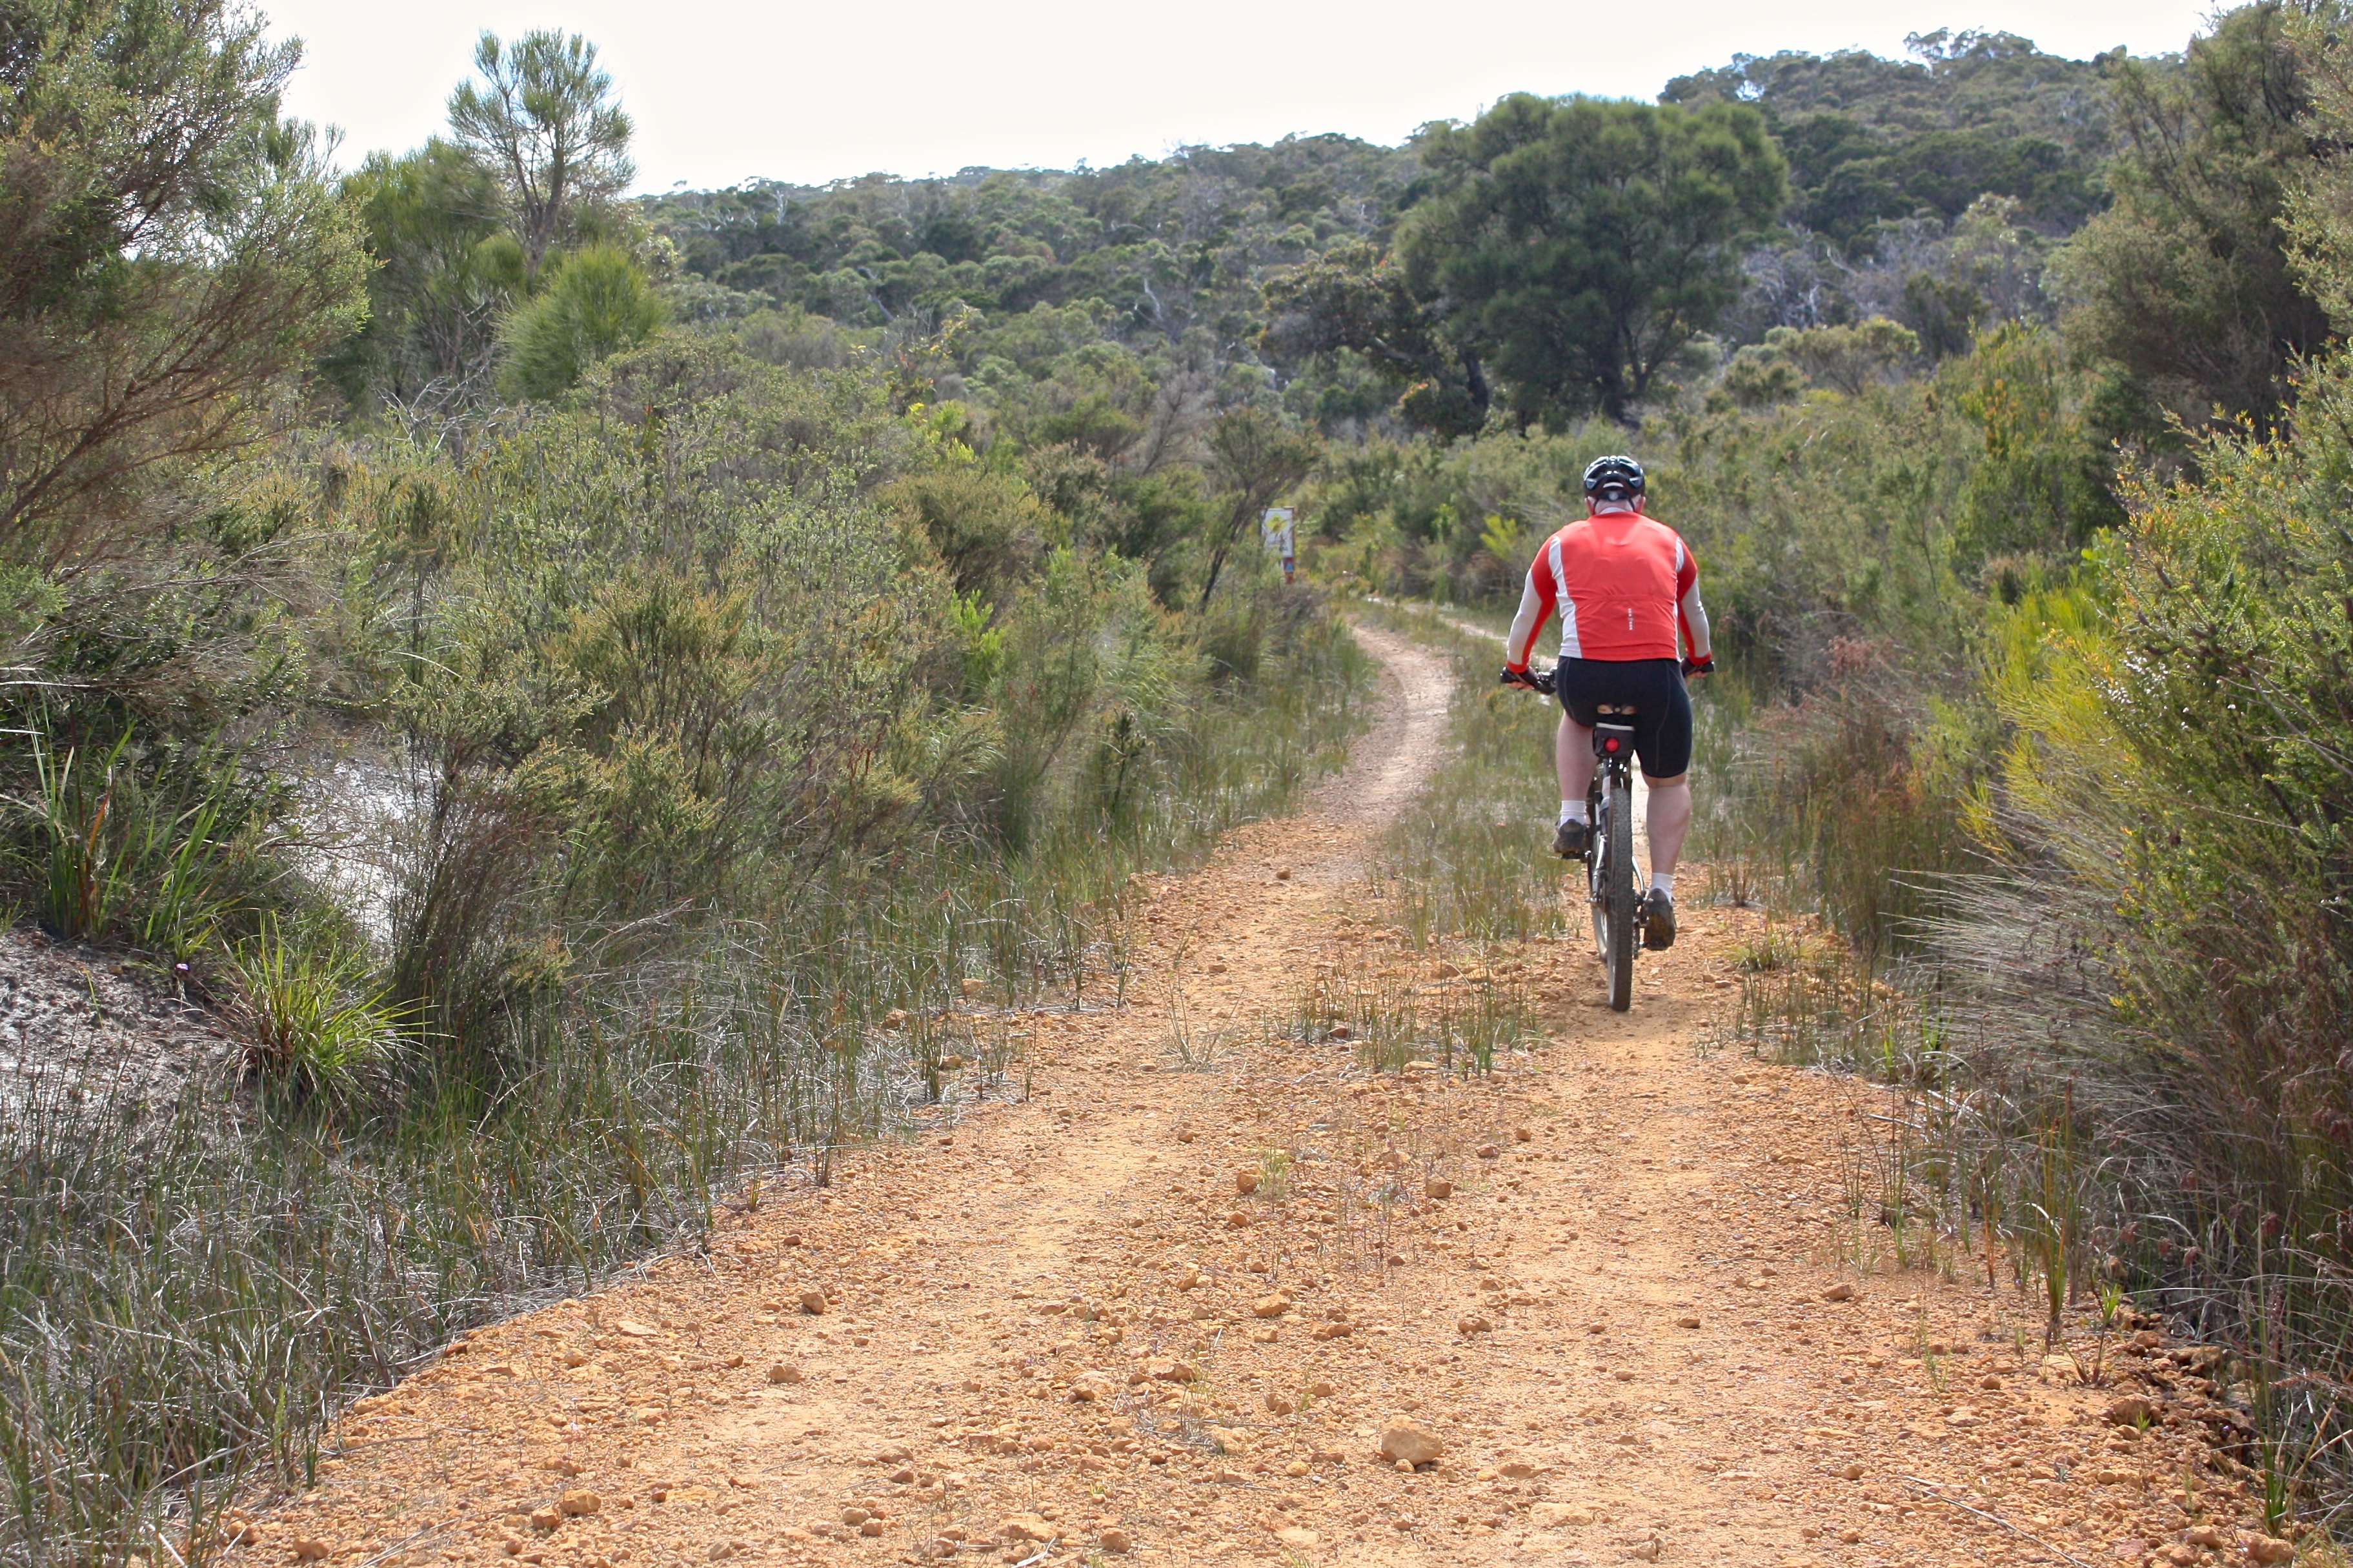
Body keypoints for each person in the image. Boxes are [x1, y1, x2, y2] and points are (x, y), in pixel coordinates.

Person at [1499, 454, 1712, 949]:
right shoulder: (1671, 541)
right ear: (1640, 499)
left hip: (1585, 675)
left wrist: (1517, 668)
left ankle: (1573, 815)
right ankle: (1661, 891)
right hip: (1657, 678)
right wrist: (1698, 659)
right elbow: (1694, 614)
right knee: (1668, 782)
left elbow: (1525, 619)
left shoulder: (1560, 542)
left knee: (1576, 719)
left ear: (1590, 501)